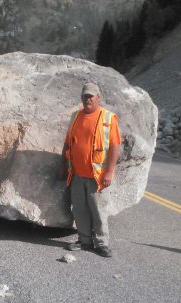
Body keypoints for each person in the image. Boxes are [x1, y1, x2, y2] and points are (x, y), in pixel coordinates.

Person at [59, 82, 121, 258]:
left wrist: (109, 172)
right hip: (77, 174)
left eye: (91, 96)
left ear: (98, 98)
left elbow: (115, 146)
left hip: (97, 175)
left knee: (98, 210)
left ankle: (102, 243)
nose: (88, 99)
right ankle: (84, 240)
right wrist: (62, 164)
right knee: (79, 209)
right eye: (85, 96)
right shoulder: (76, 117)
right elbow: (67, 143)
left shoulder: (108, 118)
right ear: (81, 97)